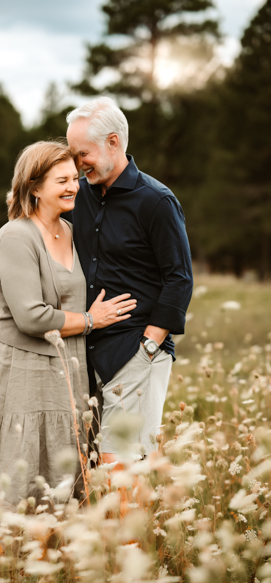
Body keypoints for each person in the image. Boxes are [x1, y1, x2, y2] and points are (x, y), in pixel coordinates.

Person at [0, 140, 137, 564]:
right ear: (34, 186)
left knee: (59, 466)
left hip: (67, 370)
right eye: (63, 181)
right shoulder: (15, 236)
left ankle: (51, 563)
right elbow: (32, 317)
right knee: (18, 466)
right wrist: (93, 321)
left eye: (75, 178)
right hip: (22, 371)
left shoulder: (70, 230)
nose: (74, 186)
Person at [65, 97, 193, 463]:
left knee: (121, 467)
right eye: (72, 155)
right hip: (86, 349)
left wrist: (149, 345)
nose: (77, 165)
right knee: (90, 468)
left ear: (113, 142)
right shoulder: (79, 196)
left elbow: (179, 278)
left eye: (82, 153)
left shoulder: (156, 201)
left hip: (136, 351)